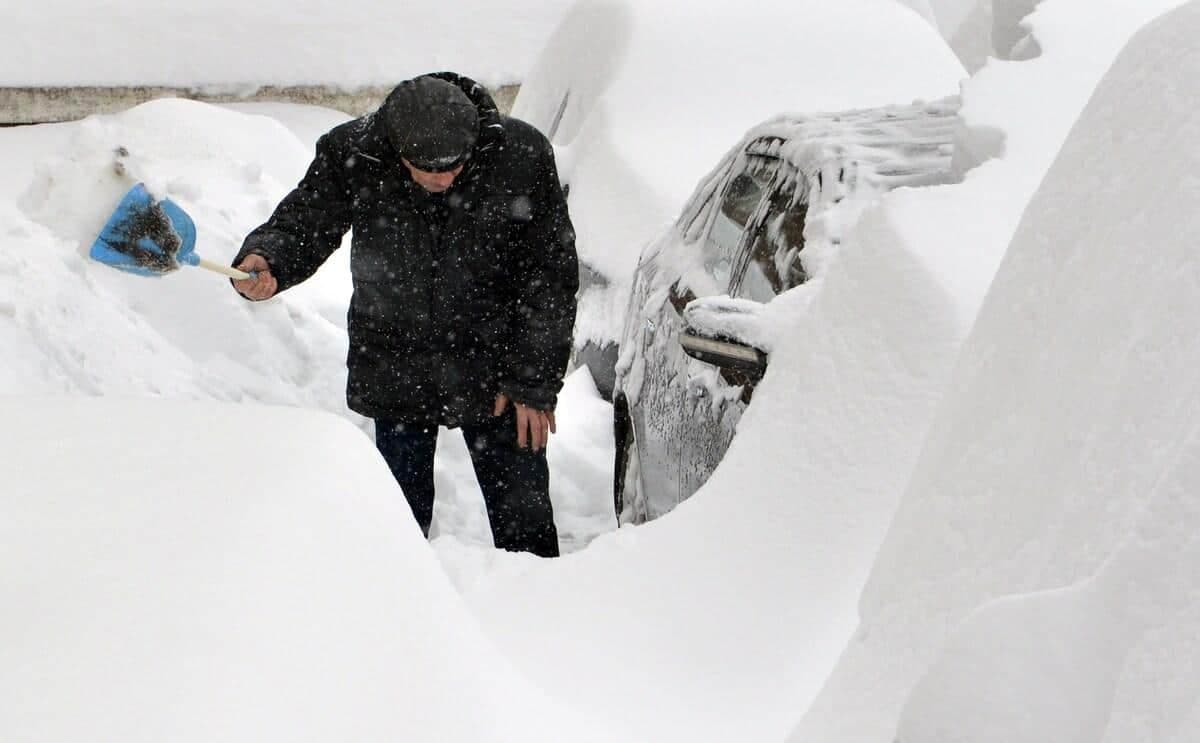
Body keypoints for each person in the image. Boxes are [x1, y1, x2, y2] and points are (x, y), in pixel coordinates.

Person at [230, 72, 578, 557]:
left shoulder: (519, 156)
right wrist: (269, 259)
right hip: (396, 361)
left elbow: (551, 275)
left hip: (496, 368)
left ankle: (544, 609)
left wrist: (533, 380)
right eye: (426, 168)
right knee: (395, 528)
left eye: (454, 166)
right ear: (396, 149)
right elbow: (306, 220)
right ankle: (396, 615)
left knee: (525, 522)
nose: (442, 179)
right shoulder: (355, 154)